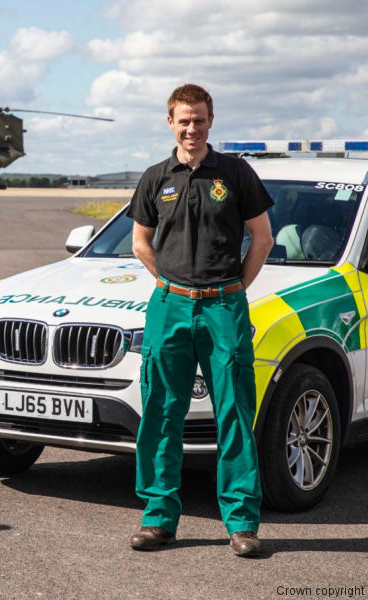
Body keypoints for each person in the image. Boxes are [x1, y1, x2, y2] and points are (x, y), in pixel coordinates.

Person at [127, 84, 274, 557]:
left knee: (234, 413)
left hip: (224, 307)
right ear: (170, 121)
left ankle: (241, 523)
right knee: (161, 412)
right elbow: (140, 242)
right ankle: (157, 518)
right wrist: (171, 284)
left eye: (200, 120)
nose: (192, 128)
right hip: (168, 305)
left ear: (212, 121)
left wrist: (233, 292)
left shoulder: (234, 173)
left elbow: (262, 239)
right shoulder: (155, 178)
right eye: (184, 120)